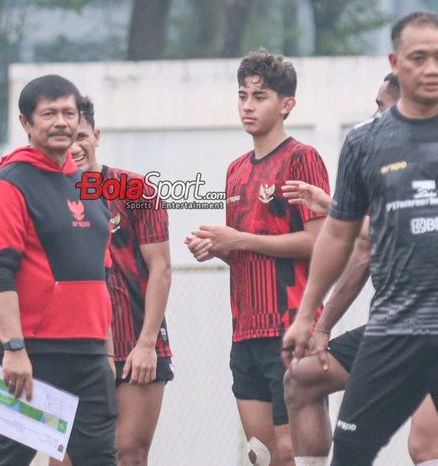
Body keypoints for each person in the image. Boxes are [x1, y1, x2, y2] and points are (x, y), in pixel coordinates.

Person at [282, 11, 438, 465]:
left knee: (425, 445)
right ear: (395, 61)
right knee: (349, 450)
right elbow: (343, 238)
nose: (431, 68)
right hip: (394, 329)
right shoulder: (365, 143)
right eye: (419, 57)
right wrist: (309, 317)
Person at [186, 49, 330, 466]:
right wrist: (218, 248)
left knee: (292, 452)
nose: (248, 105)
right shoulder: (235, 169)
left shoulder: (302, 158)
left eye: (260, 96)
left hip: (291, 327)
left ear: (287, 104)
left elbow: (319, 243)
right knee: (261, 454)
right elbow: (245, 248)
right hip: (245, 327)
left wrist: (241, 240)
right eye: (242, 95)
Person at [0, 75, 117, 465]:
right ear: (25, 122)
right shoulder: (9, 185)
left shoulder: (87, 185)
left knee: (99, 457)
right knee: (11, 460)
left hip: (88, 351)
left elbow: (99, 275)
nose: (61, 122)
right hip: (31, 351)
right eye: (49, 113)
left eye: (68, 113)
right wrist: (14, 349)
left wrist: (105, 350)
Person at [70, 96, 172, 466]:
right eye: (66, 139)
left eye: (81, 135)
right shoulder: (47, 197)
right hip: (74, 347)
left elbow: (160, 269)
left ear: (96, 136)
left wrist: (146, 344)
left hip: (135, 342)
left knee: (128, 453)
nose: (75, 146)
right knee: (64, 457)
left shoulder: (134, 189)